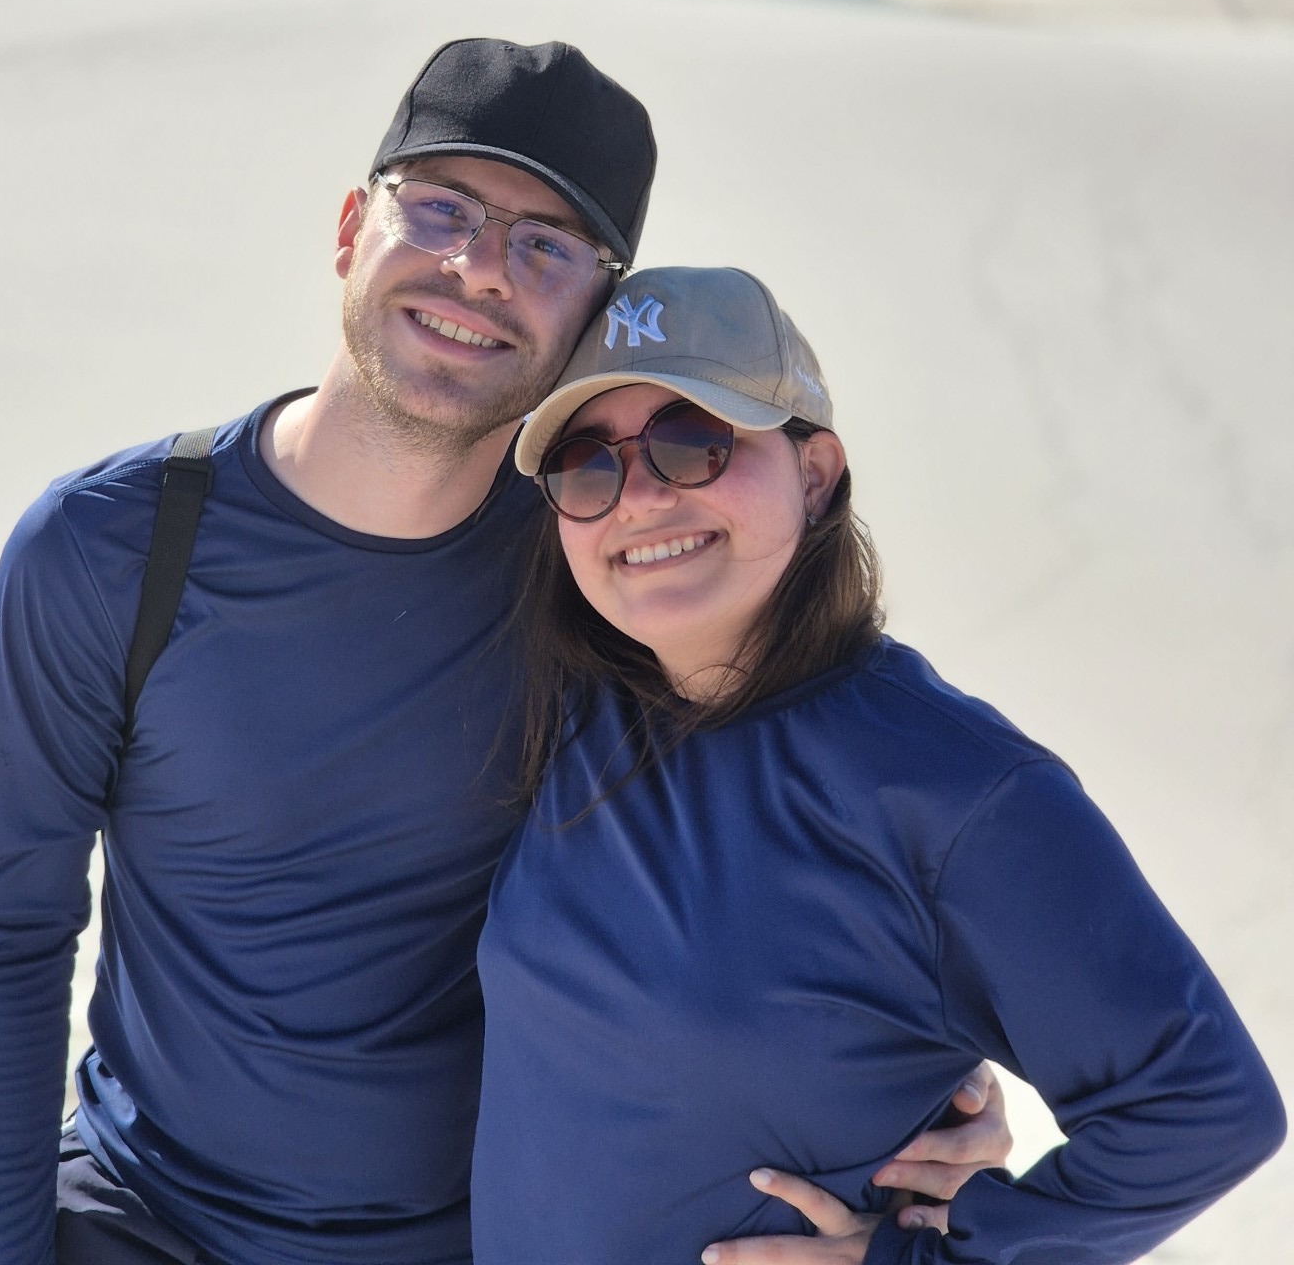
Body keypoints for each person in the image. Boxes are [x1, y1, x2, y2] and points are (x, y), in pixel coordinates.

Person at [0, 41, 1009, 1265]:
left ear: (590, 325)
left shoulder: (603, 572)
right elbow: (9, 931)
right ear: (351, 227)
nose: (478, 268)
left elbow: (814, 818)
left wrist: (940, 1091)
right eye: (440, 208)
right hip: (147, 1223)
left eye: (547, 246)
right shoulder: (111, 551)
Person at [472, 264, 1286, 1265]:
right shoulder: (572, 712)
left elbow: (1202, 1111)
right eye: (589, 467)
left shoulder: (957, 791)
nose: (637, 499)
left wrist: (925, 1262)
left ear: (815, 474)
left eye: (693, 443)